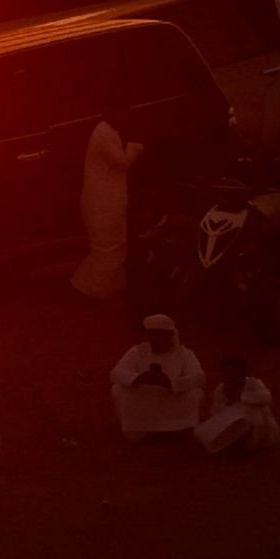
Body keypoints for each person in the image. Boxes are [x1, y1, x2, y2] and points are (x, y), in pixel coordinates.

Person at [72, 112, 145, 299]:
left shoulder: (104, 131)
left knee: (110, 244)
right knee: (107, 246)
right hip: (103, 201)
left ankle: (105, 287)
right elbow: (121, 162)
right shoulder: (104, 133)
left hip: (104, 200)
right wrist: (136, 146)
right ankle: (92, 287)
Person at [110, 313, 205, 442]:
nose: (156, 338)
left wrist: (172, 383)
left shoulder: (183, 353)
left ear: (170, 335)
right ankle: (138, 428)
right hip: (144, 395)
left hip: (172, 396)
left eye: (161, 335)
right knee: (118, 389)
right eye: (153, 334)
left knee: (195, 393)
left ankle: (178, 427)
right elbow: (116, 373)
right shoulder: (138, 351)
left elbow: (199, 378)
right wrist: (138, 378)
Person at [195, 355, 280, 455]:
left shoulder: (254, 383)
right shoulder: (220, 389)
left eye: (233, 374)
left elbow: (266, 397)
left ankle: (248, 445)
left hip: (255, 427)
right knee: (200, 431)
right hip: (231, 425)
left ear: (242, 373)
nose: (230, 378)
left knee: (253, 409)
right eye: (226, 374)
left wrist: (241, 397)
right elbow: (215, 413)